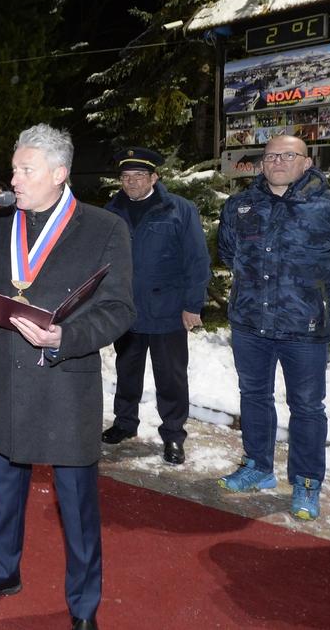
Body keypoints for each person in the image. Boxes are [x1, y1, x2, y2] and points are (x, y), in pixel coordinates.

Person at [0, 124, 133, 629]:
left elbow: (119, 309)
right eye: (14, 169)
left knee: (77, 506)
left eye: (25, 170)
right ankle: (0, 573)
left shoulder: (104, 228)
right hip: (5, 379)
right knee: (3, 492)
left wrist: (64, 337)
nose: (13, 179)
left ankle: (83, 608)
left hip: (64, 383)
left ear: (58, 174)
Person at [216, 134, 330, 521]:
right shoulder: (241, 205)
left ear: (307, 162)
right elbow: (229, 254)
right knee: (253, 396)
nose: (277, 162)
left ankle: (306, 481)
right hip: (250, 324)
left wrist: (318, 297)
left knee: (307, 407)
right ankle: (258, 467)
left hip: (305, 329)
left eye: (287, 155)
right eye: (270, 156)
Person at [101, 148, 210, 464]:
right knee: (126, 371)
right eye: (126, 176)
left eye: (139, 176)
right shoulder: (112, 212)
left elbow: (197, 259)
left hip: (167, 310)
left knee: (171, 377)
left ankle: (173, 434)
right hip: (127, 310)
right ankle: (125, 423)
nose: (131, 182)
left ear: (154, 177)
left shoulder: (179, 209)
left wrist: (193, 304)